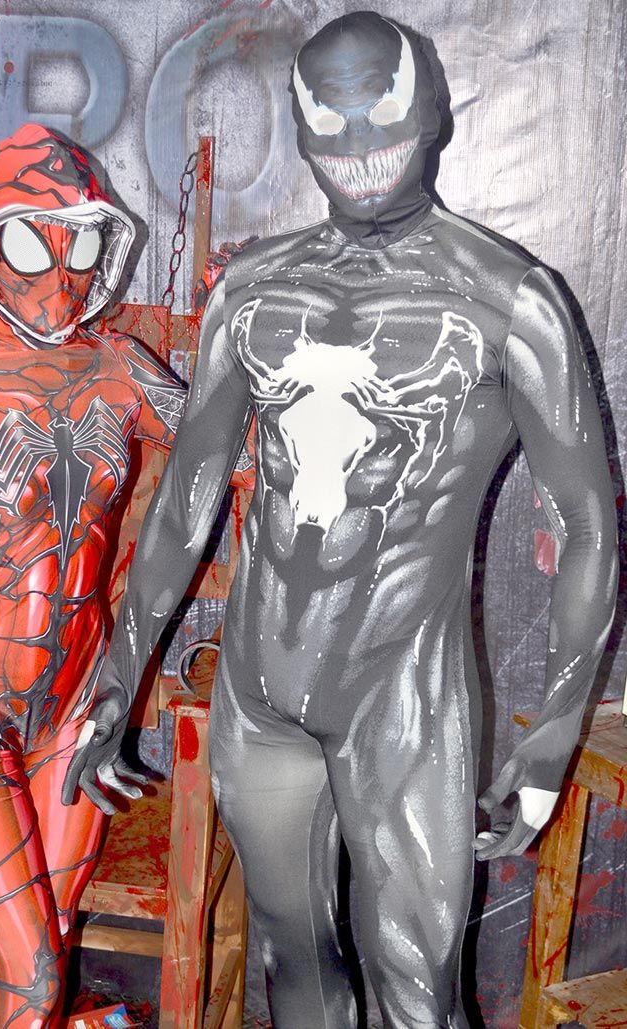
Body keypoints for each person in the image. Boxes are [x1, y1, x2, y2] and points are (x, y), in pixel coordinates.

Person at [63, 13, 618, 1029]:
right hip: (259, 690)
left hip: (402, 701)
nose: (359, 149)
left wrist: (550, 734)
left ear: (435, 114)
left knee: (416, 991)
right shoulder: (251, 290)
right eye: (332, 126)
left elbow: (585, 525)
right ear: (299, 127)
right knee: (295, 965)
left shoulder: (509, 301)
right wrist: (119, 668)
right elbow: (187, 494)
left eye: (383, 121)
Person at [0, 122, 189, 1028]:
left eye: (80, 245)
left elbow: (233, 454)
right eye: (29, 244)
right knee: (32, 983)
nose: (60, 275)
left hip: (78, 710)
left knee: (43, 951)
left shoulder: (121, 367)